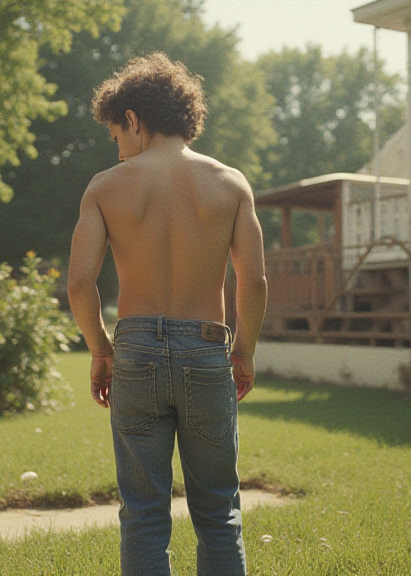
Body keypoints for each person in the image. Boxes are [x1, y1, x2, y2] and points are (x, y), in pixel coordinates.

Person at [67, 52, 268, 576]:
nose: (117, 148)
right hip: (207, 349)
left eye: (116, 135)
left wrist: (100, 350)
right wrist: (243, 351)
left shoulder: (107, 187)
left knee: (143, 513)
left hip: (134, 353)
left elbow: (79, 282)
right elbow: (255, 279)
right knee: (219, 512)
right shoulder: (230, 183)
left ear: (133, 120)